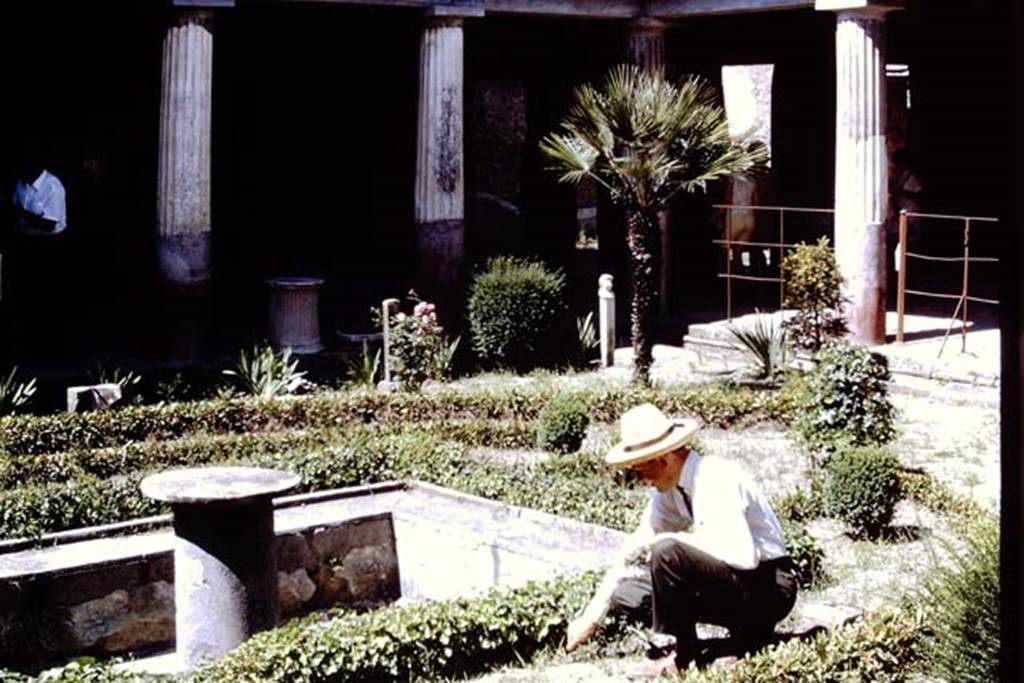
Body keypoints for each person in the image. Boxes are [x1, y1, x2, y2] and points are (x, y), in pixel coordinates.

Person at [566, 403, 796, 676]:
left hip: (769, 587)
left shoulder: (714, 477)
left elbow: (743, 557)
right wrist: (591, 617)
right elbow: (633, 550)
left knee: (667, 551)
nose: (641, 480)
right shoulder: (670, 491)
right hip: (737, 583)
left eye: (640, 470)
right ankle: (739, 637)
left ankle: (686, 654)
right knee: (627, 594)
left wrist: (670, 540)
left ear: (663, 459)